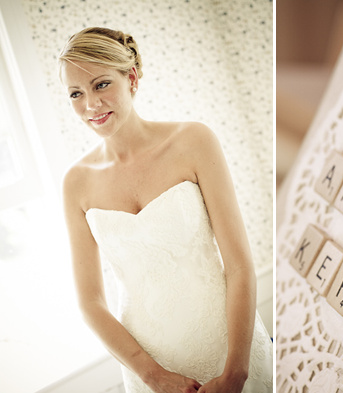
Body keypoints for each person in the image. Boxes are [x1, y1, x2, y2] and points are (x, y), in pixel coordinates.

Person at [59, 27, 273, 393]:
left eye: (101, 85)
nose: (90, 105)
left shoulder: (193, 141)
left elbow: (238, 265)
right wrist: (152, 375)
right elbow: (91, 303)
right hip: (149, 368)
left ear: (132, 78)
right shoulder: (76, 183)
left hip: (229, 348)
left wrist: (236, 372)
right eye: (76, 93)